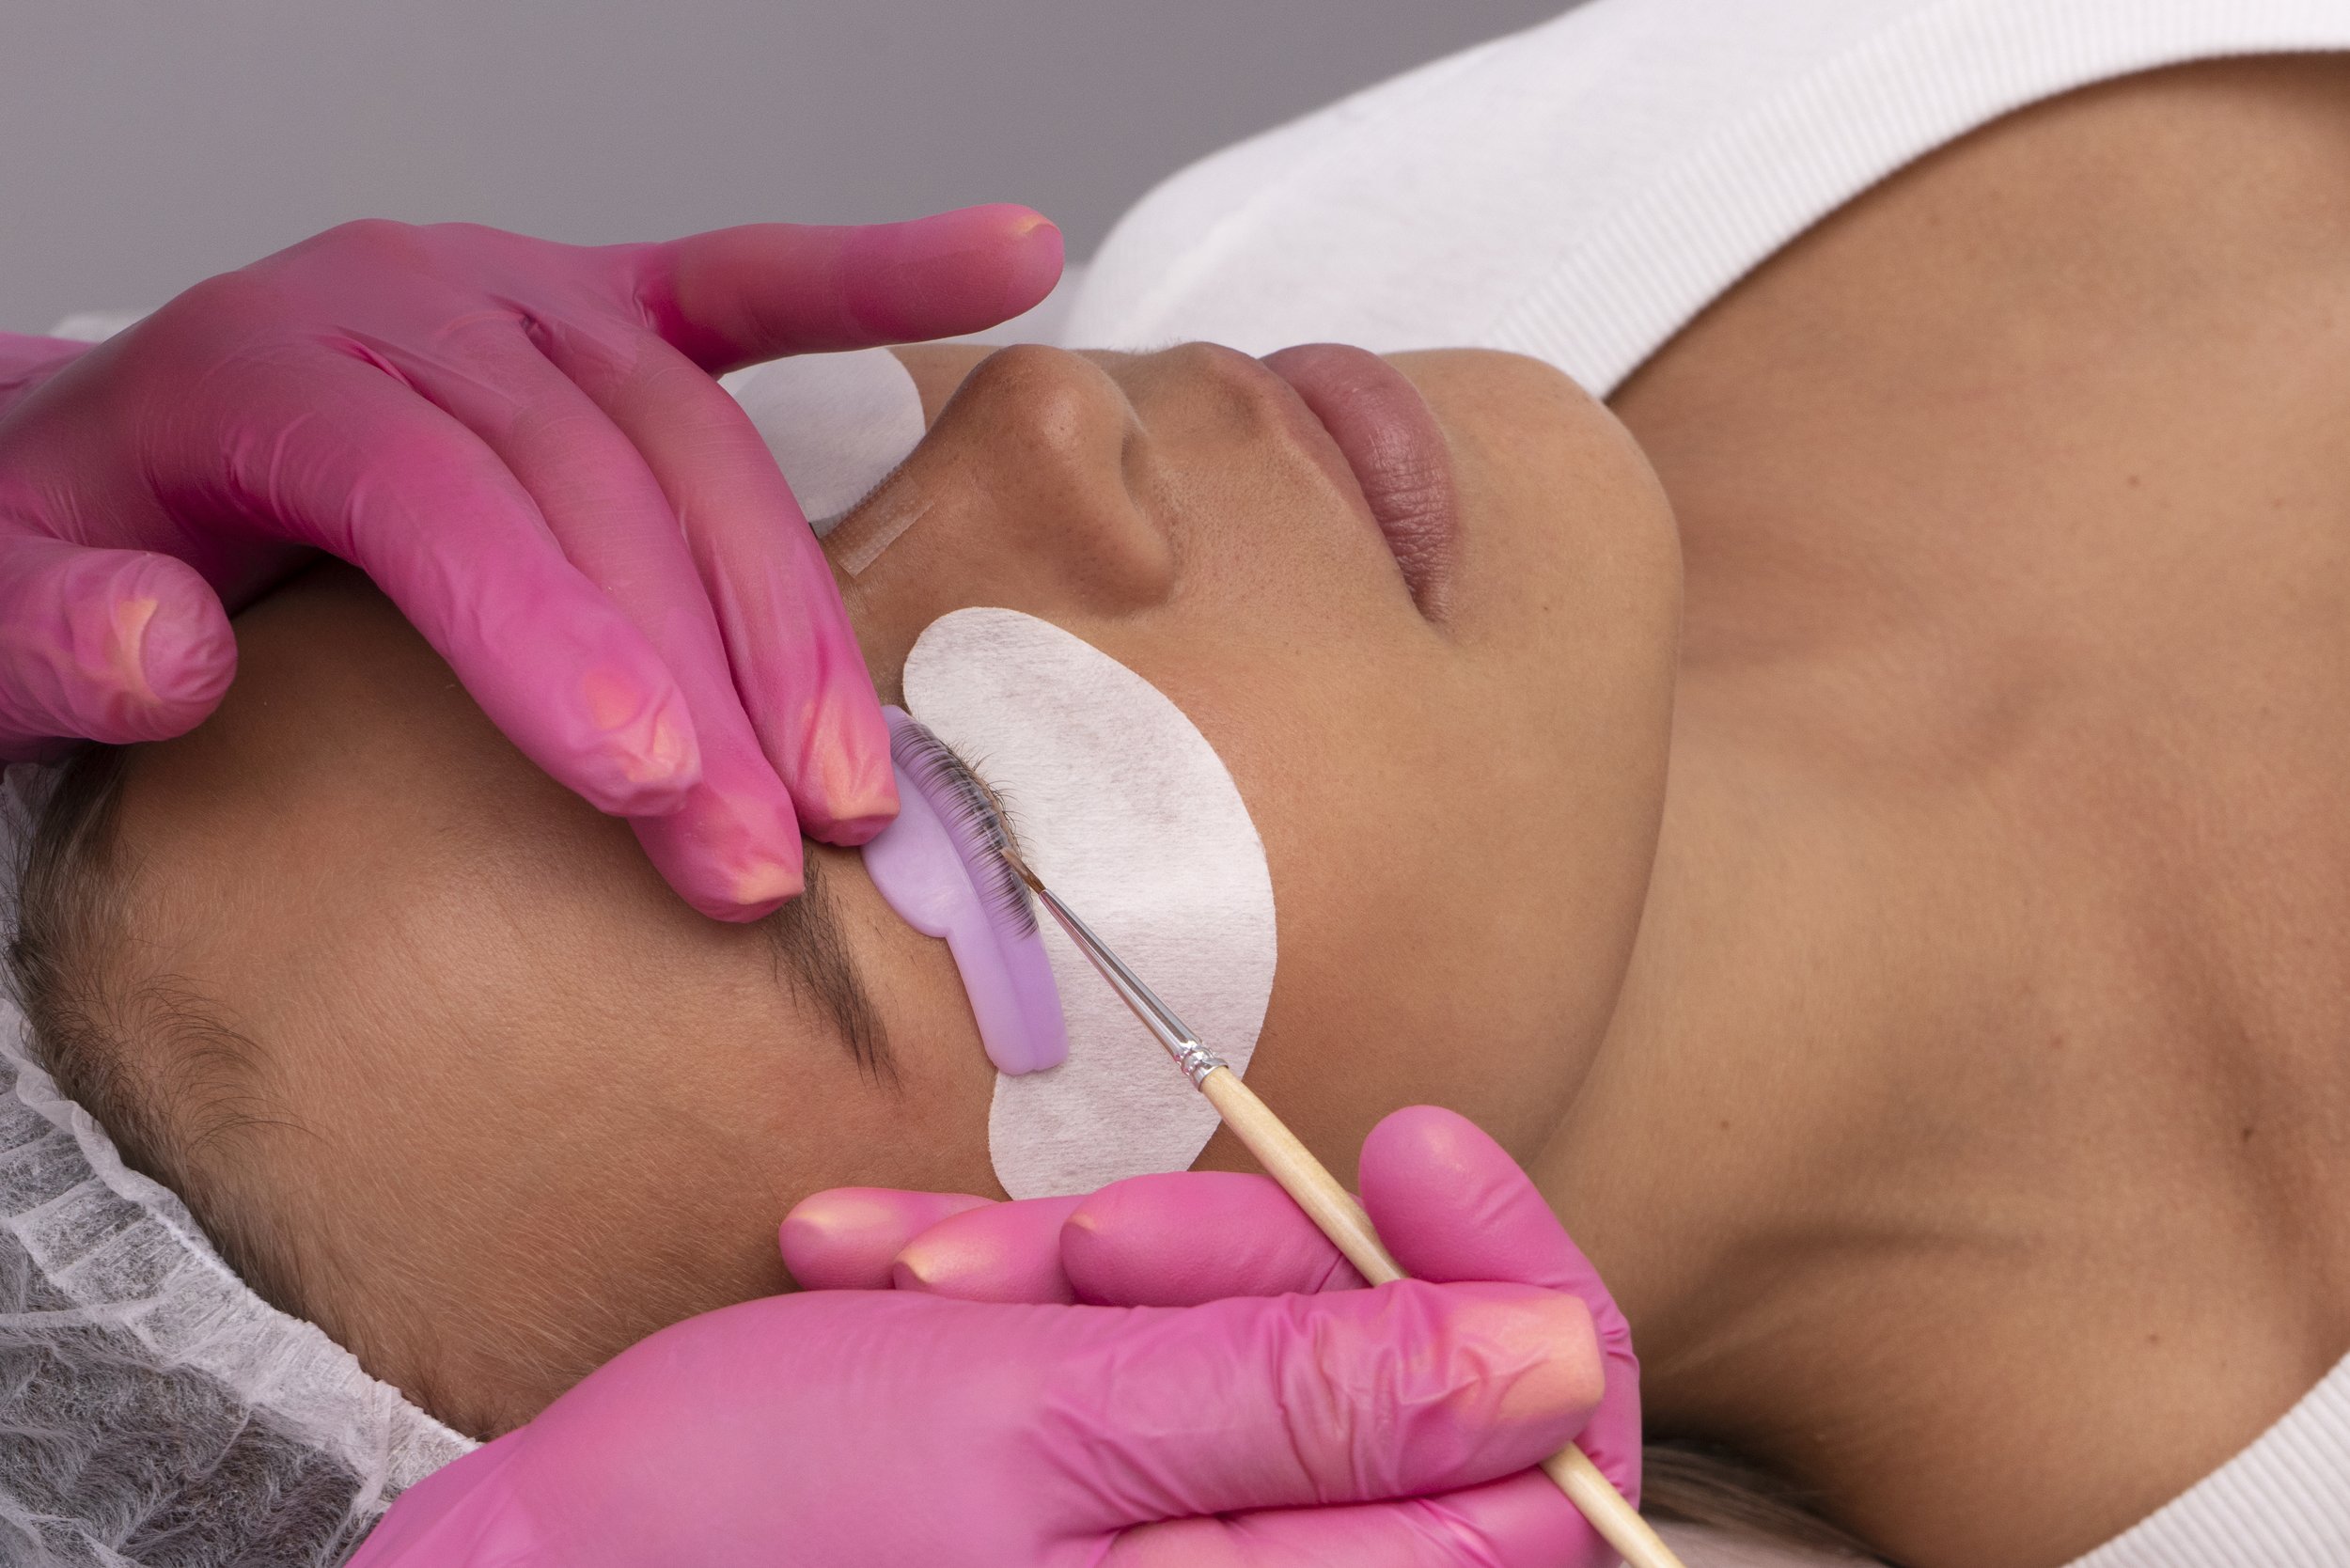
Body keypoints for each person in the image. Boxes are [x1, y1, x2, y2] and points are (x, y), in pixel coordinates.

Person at [15, 2, 2350, 1565]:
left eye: (739, 494)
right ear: (1169, 1431)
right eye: (962, 814)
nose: (1049, 420)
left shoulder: (1333, 244)